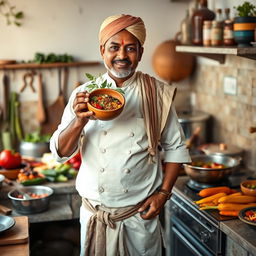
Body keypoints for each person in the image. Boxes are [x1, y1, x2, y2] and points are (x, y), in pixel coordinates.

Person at [50, 14, 191, 256]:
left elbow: (176, 148)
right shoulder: (83, 95)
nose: (122, 56)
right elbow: (60, 153)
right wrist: (79, 121)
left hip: (137, 218)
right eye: (114, 47)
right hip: (94, 215)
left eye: (131, 49)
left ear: (141, 52)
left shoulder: (157, 94)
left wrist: (163, 194)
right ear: (103, 50)